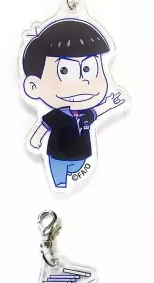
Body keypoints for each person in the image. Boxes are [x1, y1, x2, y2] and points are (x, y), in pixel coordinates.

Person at [22, 19, 124, 188]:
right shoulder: (55, 115)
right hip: (58, 157)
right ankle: (61, 184)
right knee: (60, 183)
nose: (83, 82)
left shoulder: (86, 113)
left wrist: (109, 104)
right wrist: (36, 140)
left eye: (88, 69)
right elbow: (43, 127)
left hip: (82, 157)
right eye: (64, 70)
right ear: (34, 86)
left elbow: (97, 112)